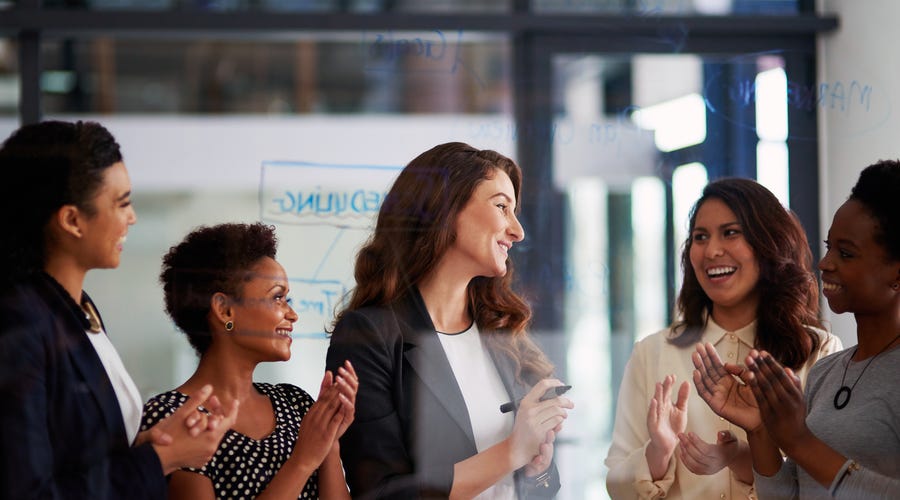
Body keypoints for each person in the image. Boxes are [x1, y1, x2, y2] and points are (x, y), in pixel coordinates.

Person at [0, 120, 238, 499]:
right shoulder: (21, 322)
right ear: (72, 220)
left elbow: (80, 457)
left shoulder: (76, 310)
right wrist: (162, 457)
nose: (132, 217)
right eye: (122, 203)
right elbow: (29, 490)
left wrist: (160, 443)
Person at [325, 142, 574, 499]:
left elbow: (538, 491)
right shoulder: (369, 334)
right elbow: (381, 494)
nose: (517, 231)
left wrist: (537, 468)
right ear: (444, 209)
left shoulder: (503, 334)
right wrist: (512, 452)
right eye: (502, 206)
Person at [605, 178, 842, 499]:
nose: (712, 250)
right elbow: (617, 484)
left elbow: (827, 480)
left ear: (768, 243)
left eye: (730, 233)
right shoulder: (652, 352)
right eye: (700, 237)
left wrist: (743, 458)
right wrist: (658, 452)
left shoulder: (818, 350)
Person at [693, 161, 900, 498]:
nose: (824, 263)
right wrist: (760, 429)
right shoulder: (826, 372)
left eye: (846, 253)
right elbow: (789, 495)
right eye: (829, 246)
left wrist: (798, 441)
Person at [141, 222, 358, 499]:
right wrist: (302, 461)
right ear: (225, 309)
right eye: (277, 297)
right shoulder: (173, 417)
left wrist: (329, 443)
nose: (292, 314)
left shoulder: (296, 403)